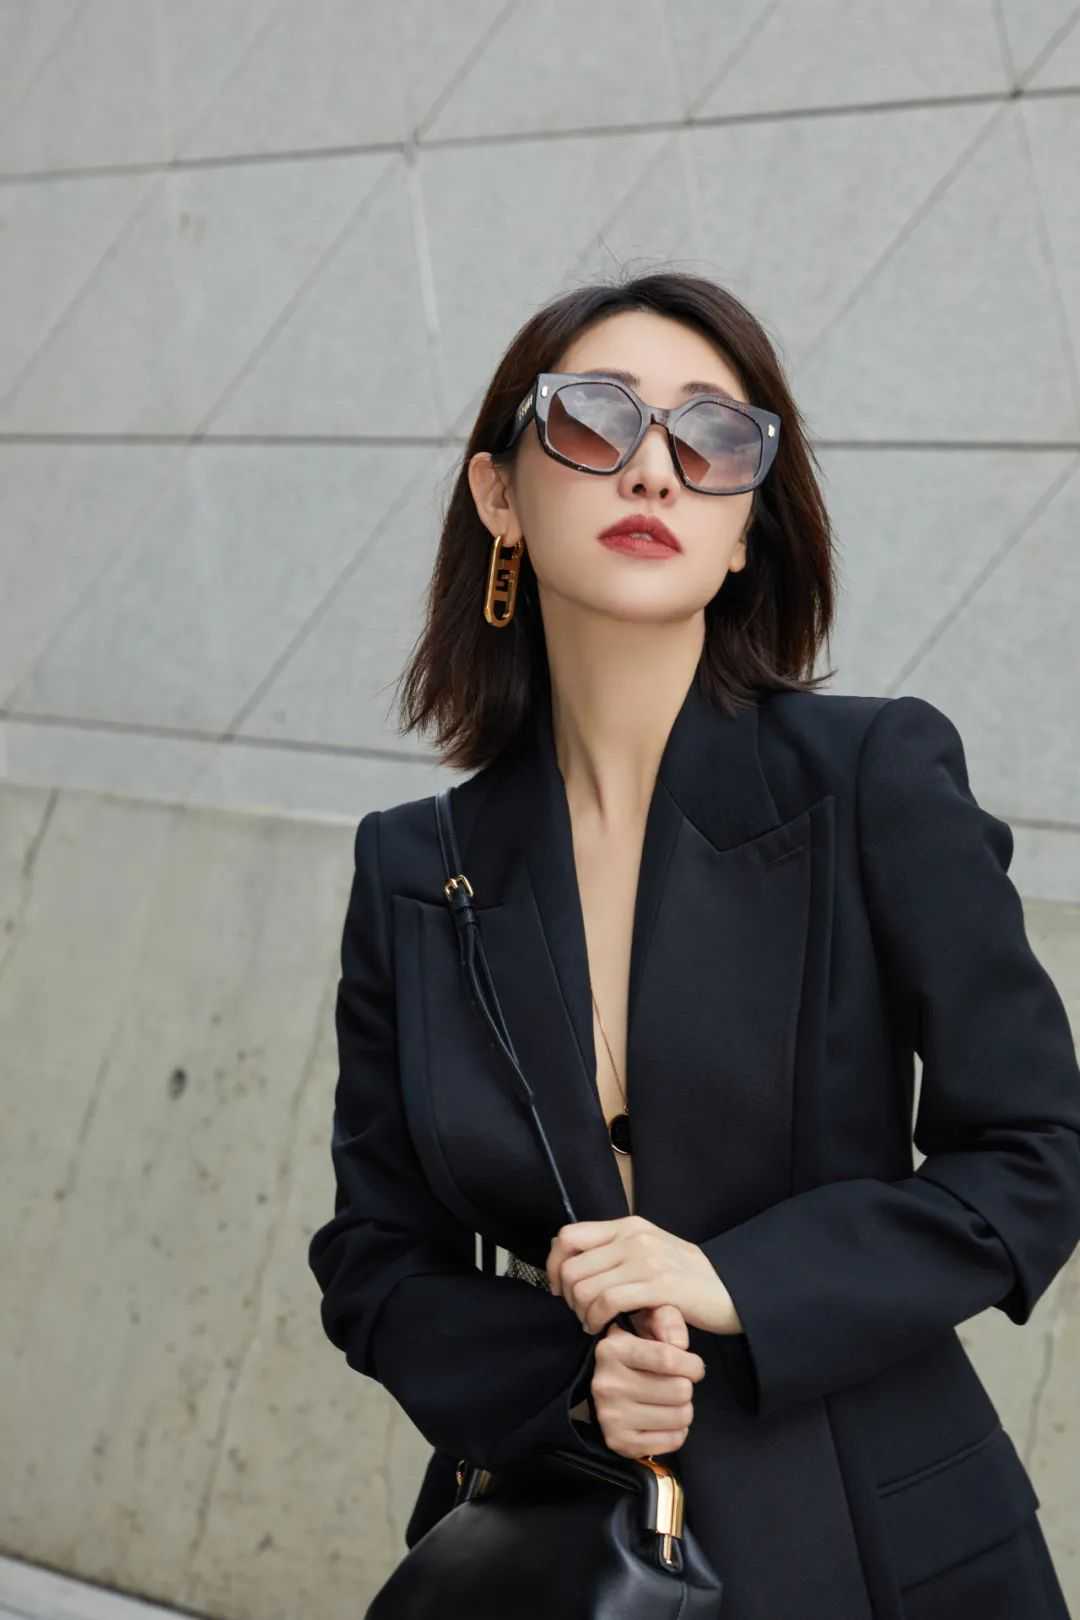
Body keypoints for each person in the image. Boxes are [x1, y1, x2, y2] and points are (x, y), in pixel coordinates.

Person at [307, 270, 1080, 1618]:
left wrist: (733, 1281)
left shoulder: (873, 779)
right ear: (500, 493)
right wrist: (568, 1383)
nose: (654, 469)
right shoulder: (415, 868)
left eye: (714, 439)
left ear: (742, 535)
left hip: (885, 1550)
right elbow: (374, 1257)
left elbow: (1033, 1156)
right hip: (569, 1554)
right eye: (595, 419)